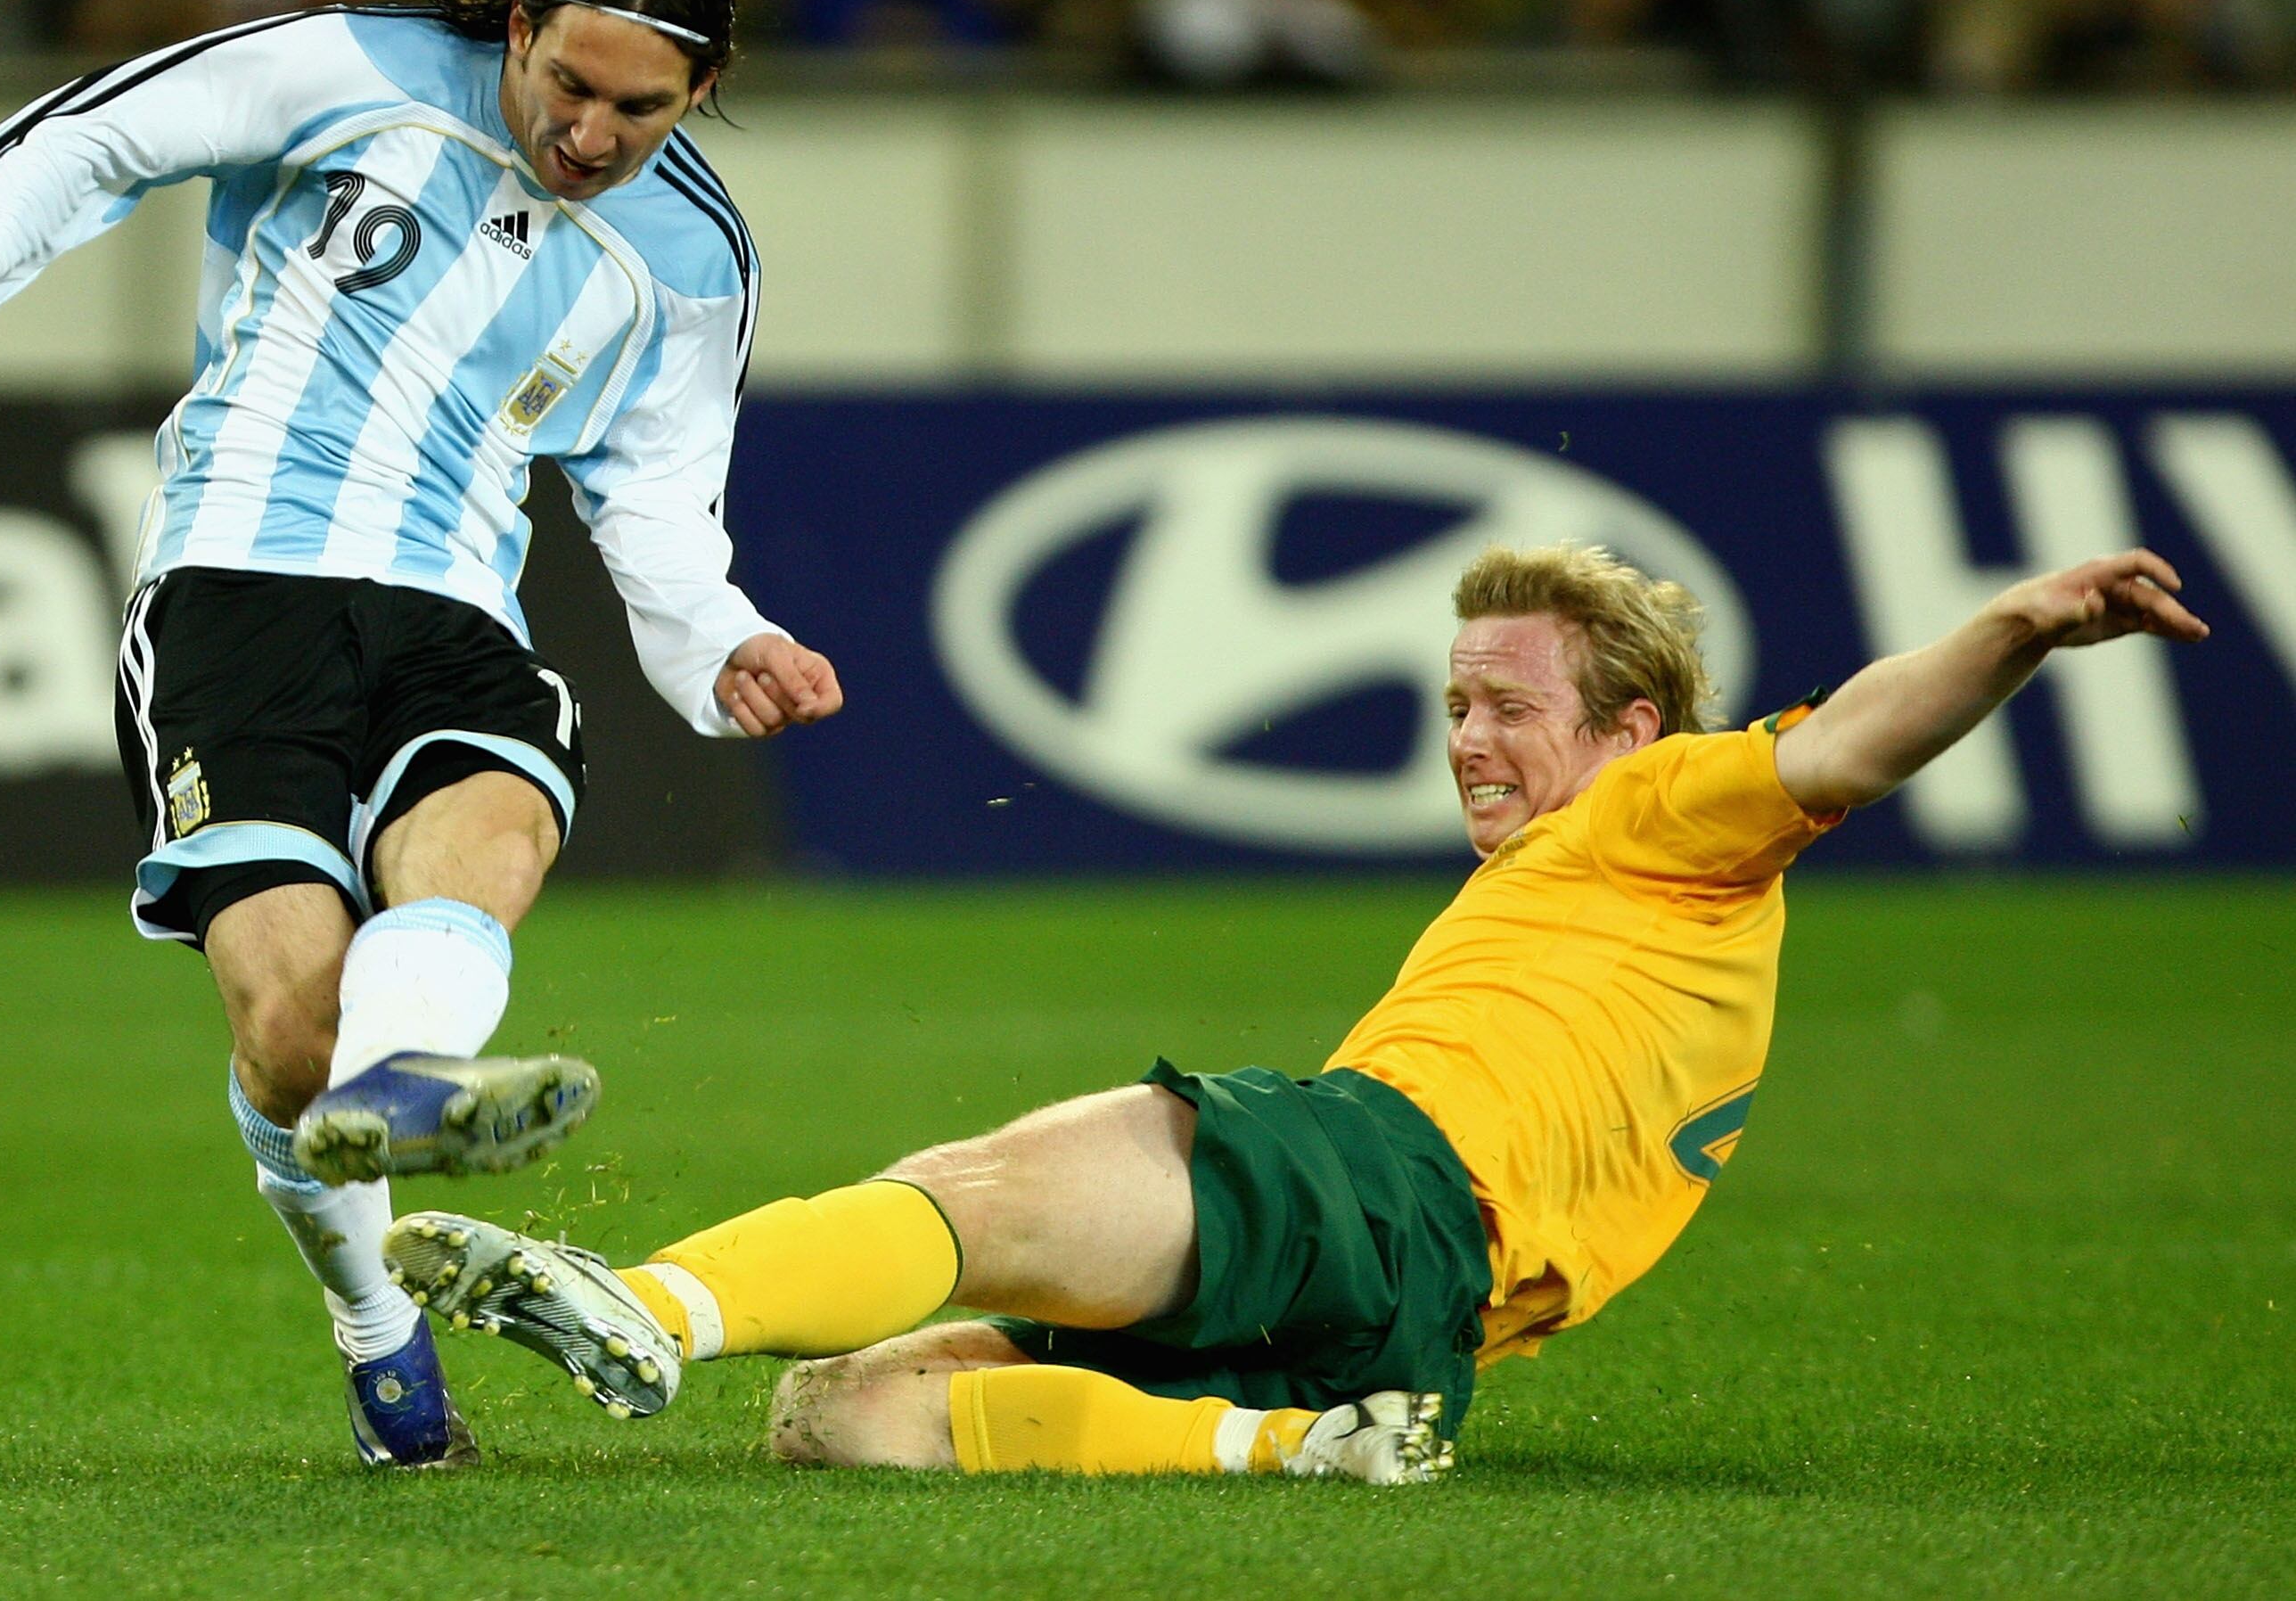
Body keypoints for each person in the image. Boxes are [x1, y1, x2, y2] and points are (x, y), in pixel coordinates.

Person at [386, 541, 2206, 1483]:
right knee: (848, 1419)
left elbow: (1847, 742)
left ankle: (650, 1309)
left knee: (1003, 1188)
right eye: (1456, 702)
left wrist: (2020, 629)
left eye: (1509, 704)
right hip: (1425, 1320)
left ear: (1631, 736)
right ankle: (1288, 1445)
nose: (1470, 738)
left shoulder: (1670, 819)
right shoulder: (1602, 917)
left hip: (1394, 1185)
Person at [0, 0, 841, 1471]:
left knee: (496, 827)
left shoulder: (692, 260)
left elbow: (657, 496)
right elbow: (100, 137)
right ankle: (381, 1325)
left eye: (642, 110)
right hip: (239, 583)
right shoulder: (352, 69)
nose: (590, 136)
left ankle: (413, 1082)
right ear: (522, 22)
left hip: (459, 607)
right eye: (573, 86)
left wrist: (727, 636)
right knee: (286, 1035)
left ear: (706, 87)